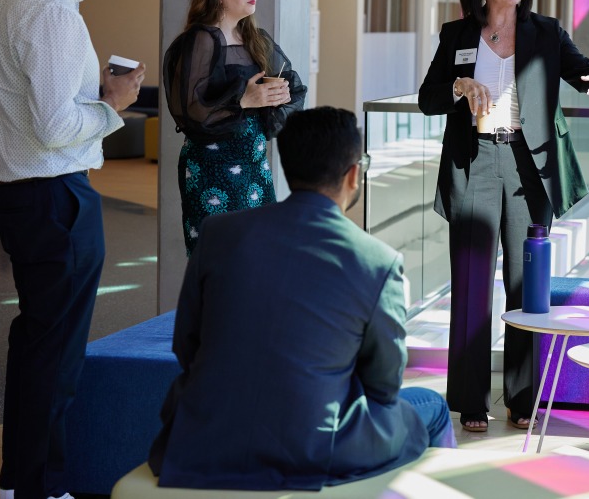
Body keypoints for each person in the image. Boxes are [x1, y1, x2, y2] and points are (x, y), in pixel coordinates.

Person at [149, 107, 455, 490]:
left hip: (204, 437)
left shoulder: (219, 233)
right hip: (313, 449)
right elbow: (384, 386)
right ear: (354, 174)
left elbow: (186, 346)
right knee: (432, 406)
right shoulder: (377, 261)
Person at [418, 0, 589, 433]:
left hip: (529, 167)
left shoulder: (546, 33)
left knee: (526, 288)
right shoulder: (456, 34)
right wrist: (459, 86)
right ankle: (469, 399)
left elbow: (583, 73)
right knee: (469, 284)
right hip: (474, 162)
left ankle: (523, 397)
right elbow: (428, 98)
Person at [0, 0, 144, 499]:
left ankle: (22, 482)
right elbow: (54, 128)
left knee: (39, 345)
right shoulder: (52, 11)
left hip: (27, 194)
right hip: (54, 197)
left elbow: (38, 107)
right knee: (56, 356)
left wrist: (94, 96)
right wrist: (113, 105)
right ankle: (38, 487)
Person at [163, 0, 306, 255]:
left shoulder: (257, 38)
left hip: (255, 166)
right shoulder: (201, 39)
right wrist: (243, 100)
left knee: (259, 256)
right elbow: (191, 113)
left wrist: (277, 95)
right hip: (211, 167)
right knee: (219, 260)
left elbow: (293, 86)